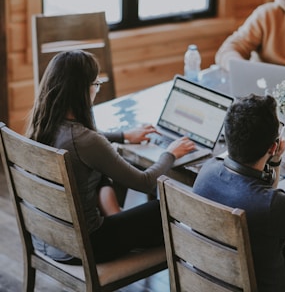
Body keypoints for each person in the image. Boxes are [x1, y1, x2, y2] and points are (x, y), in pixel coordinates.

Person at [26, 49, 195, 264]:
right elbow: (144, 182)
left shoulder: (43, 126)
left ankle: (116, 215)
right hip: (86, 246)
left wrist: (123, 136)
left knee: (100, 171)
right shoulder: (86, 141)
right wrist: (170, 153)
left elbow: (86, 143)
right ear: (82, 90)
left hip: (46, 238)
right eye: (95, 84)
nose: (97, 89)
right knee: (160, 208)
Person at [193, 94, 285, 292]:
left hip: (216, 279)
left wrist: (274, 161)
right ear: (273, 146)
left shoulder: (207, 171)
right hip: (260, 286)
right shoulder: (273, 204)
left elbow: (263, 197)